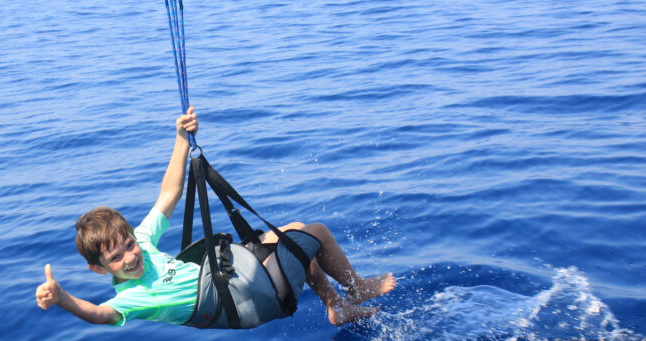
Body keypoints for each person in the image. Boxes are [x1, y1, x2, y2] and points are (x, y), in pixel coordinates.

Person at [35, 106, 396, 327]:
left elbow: (169, 193)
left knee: (292, 234)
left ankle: (336, 307)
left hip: (238, 275)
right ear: (99, 270)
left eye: (129, 244)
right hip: (246, 300)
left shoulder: (141, 243)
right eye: (116, 258)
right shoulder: (135, 297)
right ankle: (356, 287)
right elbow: (101, 315)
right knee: (315, 233)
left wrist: (180, 138)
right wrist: (63, 298)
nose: (131, 256)